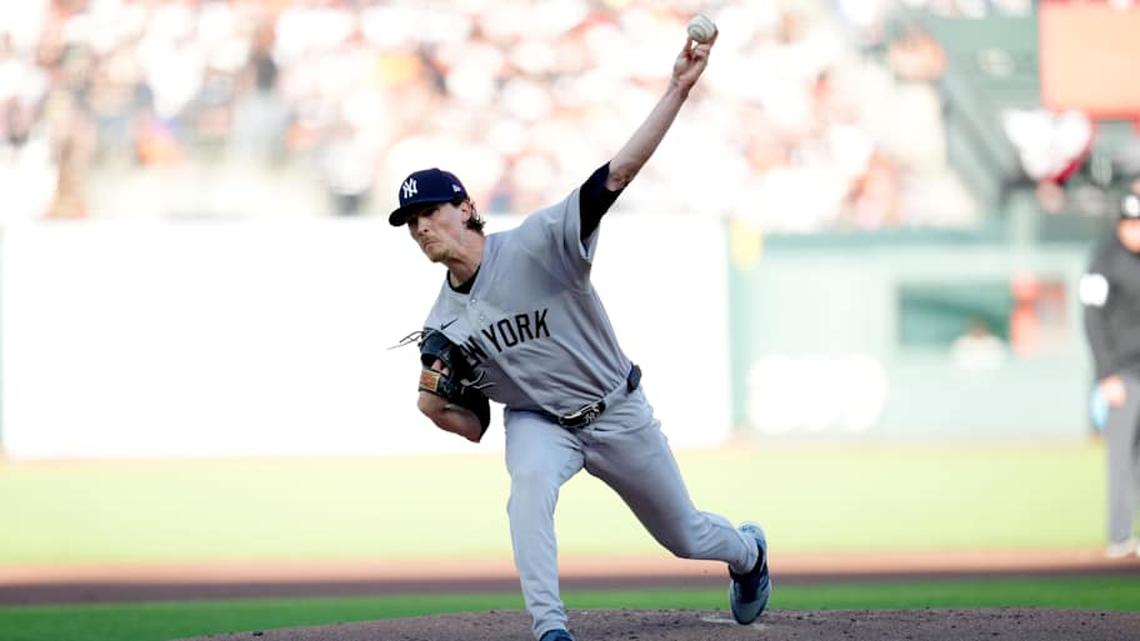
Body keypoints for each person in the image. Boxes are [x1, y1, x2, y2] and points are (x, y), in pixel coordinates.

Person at [388, 28, 770, 641]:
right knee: (529, 488)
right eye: (410, 222)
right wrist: (435, 408)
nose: (421, 227)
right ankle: (550, 629)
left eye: (430, 211)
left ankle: (748, 555)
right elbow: (474, 421)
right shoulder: (442, 322)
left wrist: (676, 88)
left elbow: (618, 172)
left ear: (464, 207)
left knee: (685, 535)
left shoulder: (541, 244)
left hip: (617, 411)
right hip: (539, 421)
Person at [1081, 190, 1140, 559]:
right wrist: (1106, 374)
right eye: (1131, 223)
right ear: (1119, 223)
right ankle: (1119, 537)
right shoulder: (1104, 260)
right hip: (1122, 373)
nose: (1137, 230)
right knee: (1120, 455)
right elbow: (1091, 319)